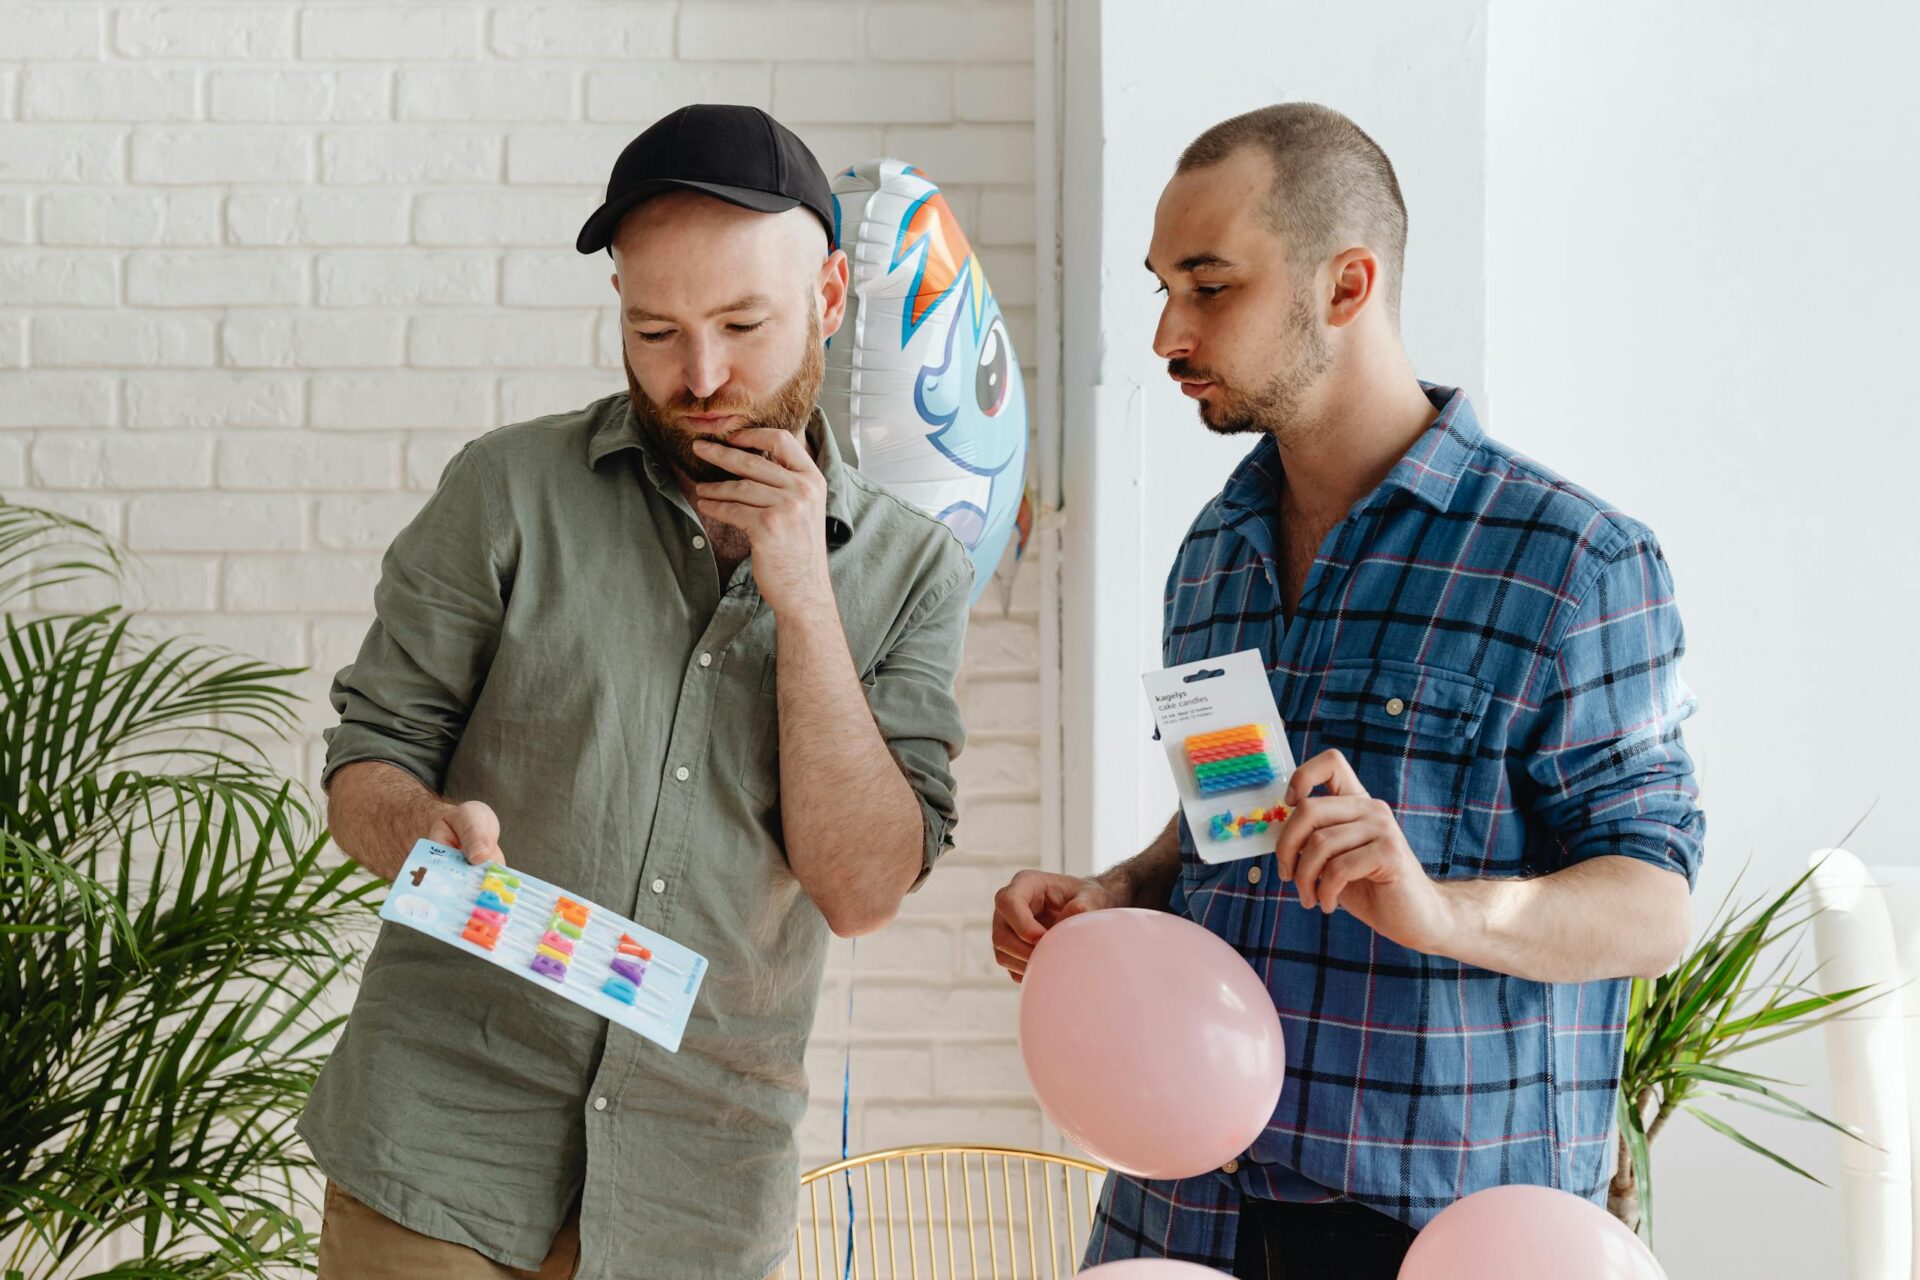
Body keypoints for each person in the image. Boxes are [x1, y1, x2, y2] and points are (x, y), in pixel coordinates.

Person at [990, 102, 1703, 1280]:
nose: (1168, 331)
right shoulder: (1215, 550)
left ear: (1347, 284)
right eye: (1163, 285)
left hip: (1430, 1234)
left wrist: (1439, 908)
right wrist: (1118, 889)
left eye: (1210, 286)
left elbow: (1653, 905)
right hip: (1186, 1211)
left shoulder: (1575, 562)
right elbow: (1232, 821)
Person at [303, 104, 973, 1280]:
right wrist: (426, 830)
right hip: (442, 1146)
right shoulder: (506, 490)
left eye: (741, 325)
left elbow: (863, 887)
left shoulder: (912, 568)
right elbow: (366, 766)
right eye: (654, 329)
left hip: (700, 1190)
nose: (699, 376)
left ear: (826, 294)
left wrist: (806, 599)